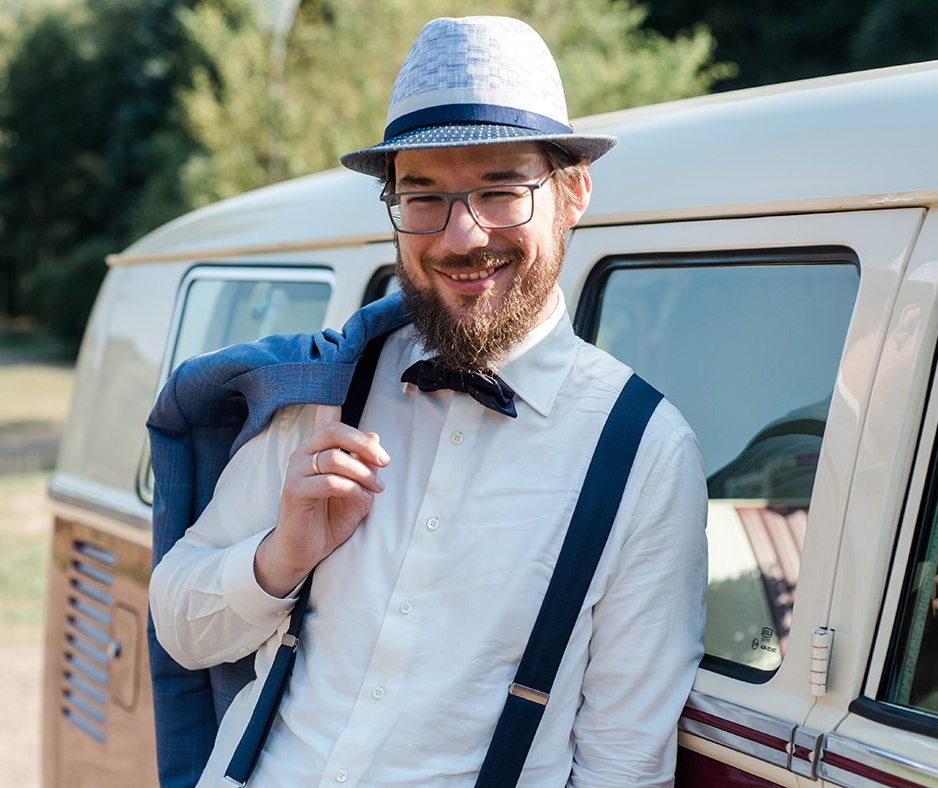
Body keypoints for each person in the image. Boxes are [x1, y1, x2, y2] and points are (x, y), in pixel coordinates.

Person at [149, 15, 708, 788]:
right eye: (423, 198)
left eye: (501, 191)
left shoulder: (645, 450)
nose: (459, 236)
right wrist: (281, 556)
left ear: (573, 193)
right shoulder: (330, 385)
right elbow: (179, 628)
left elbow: (621, 764)